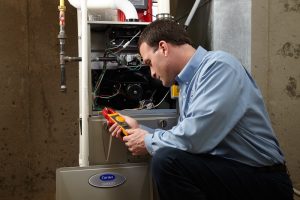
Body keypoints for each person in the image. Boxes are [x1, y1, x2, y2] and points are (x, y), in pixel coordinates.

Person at [108, 19, 294, 200]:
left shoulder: (219, 66)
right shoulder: (186, 84)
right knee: (169, 158)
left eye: (149, 63)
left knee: (167, 162)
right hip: (234, 174)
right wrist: (139, 129)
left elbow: (196, 137)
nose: (152, 73)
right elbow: (185, 139)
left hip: (264, 182)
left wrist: (148, 141)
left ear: (164, 48)